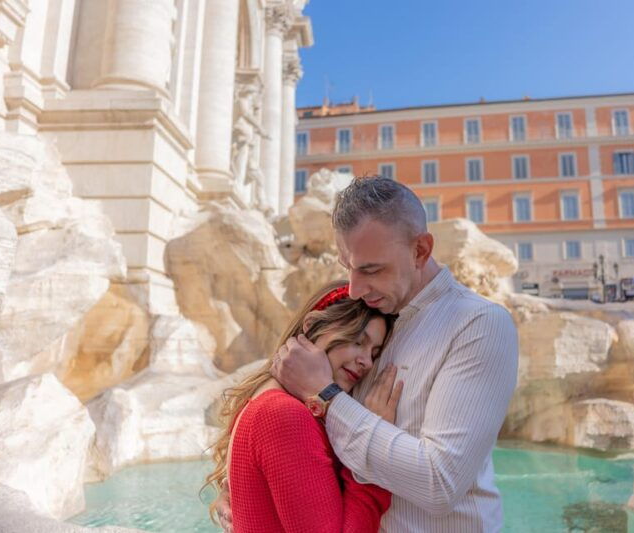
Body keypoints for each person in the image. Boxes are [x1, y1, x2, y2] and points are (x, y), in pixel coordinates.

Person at [218, 176, 519, 531]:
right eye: (349, 268)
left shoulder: (479, 323)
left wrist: (327, 396)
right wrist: (245, 480)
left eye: (371, 270)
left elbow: (441, 483)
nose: (355, 288)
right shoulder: (375, 315)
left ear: (420, 250)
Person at [204, 280, 401, 532]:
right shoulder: (284, 414)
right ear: (311, 326)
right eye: (356, 341)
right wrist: (375, 453)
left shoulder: (271, 400)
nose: (366, 362)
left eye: (374, 353)